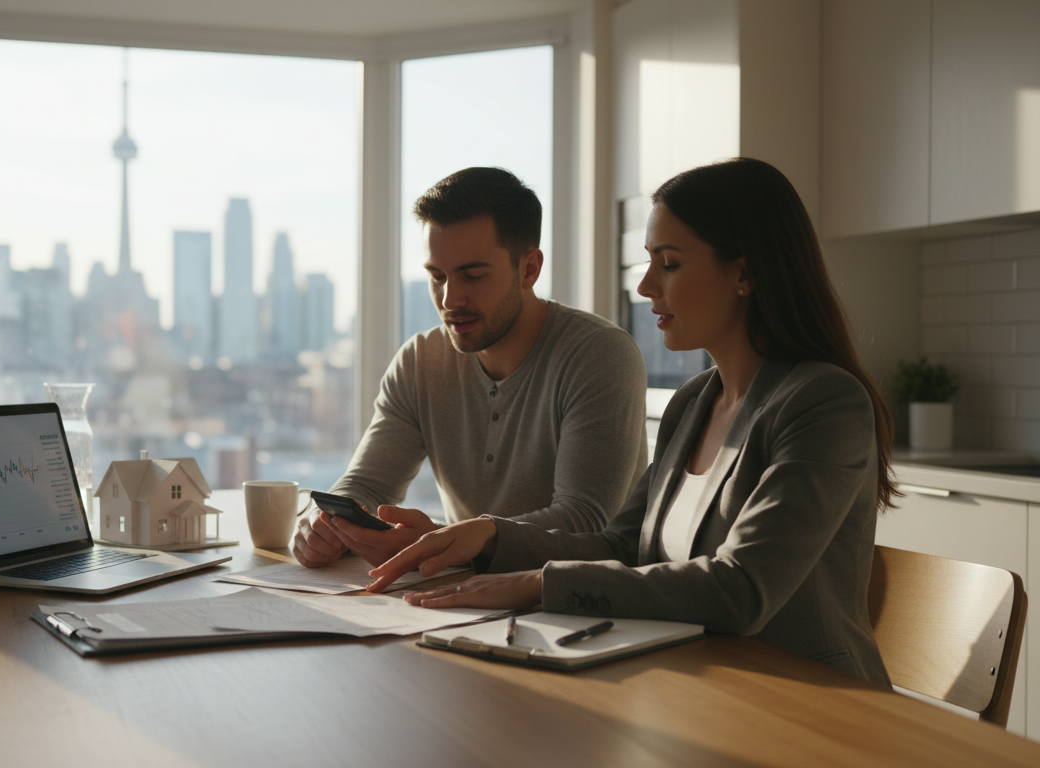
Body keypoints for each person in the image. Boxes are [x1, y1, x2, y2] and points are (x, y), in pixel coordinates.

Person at [367, 158, 896, 686]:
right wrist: (487, 538)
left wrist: (537, 583)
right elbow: (623, 546)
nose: (644, 287)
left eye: (668, 264)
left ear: (744, 272)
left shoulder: (824, 402)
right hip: (696, 687)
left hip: (815, 704)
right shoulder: (693, 403)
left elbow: (742, 589)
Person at [293, 167, 649, 568]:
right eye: (436, 276)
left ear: (529, 269)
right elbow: (367, 486)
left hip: (583, 606)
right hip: (460, 598)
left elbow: (584, 520)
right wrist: (323, 523)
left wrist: (453, 541)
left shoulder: (599, 354)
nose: (449, 299)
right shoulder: (419, 362)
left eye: (472, 275)